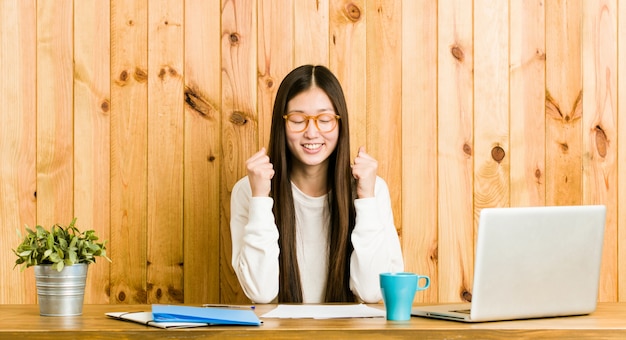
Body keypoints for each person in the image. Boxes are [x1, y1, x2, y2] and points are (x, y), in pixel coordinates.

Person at [230, 64, 404, 304]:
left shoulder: (372, 189)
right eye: (298, 119)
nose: (312, 132)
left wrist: (366, 198)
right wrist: (260, 198)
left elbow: (372, 291)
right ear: (282, 124)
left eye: (324, 119)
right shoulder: (248, 191)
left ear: (340, 123)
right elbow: (260, 292)